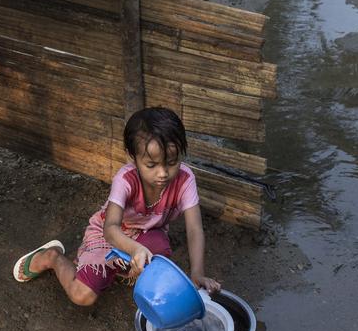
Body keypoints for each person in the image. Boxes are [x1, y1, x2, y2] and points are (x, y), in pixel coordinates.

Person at [12, 107, 221, 306]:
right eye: (152, 165)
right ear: (133, 158)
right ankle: (52, 257)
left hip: (146, 235)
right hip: (108, 236)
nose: (163, 173)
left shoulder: (185, 179)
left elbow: (194, 229)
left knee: (160, 250)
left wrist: (197, 273)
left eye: (172, 162)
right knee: (82, 295)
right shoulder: (126, 179)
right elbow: (110, 228)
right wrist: (136, 249)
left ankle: (121, 266)